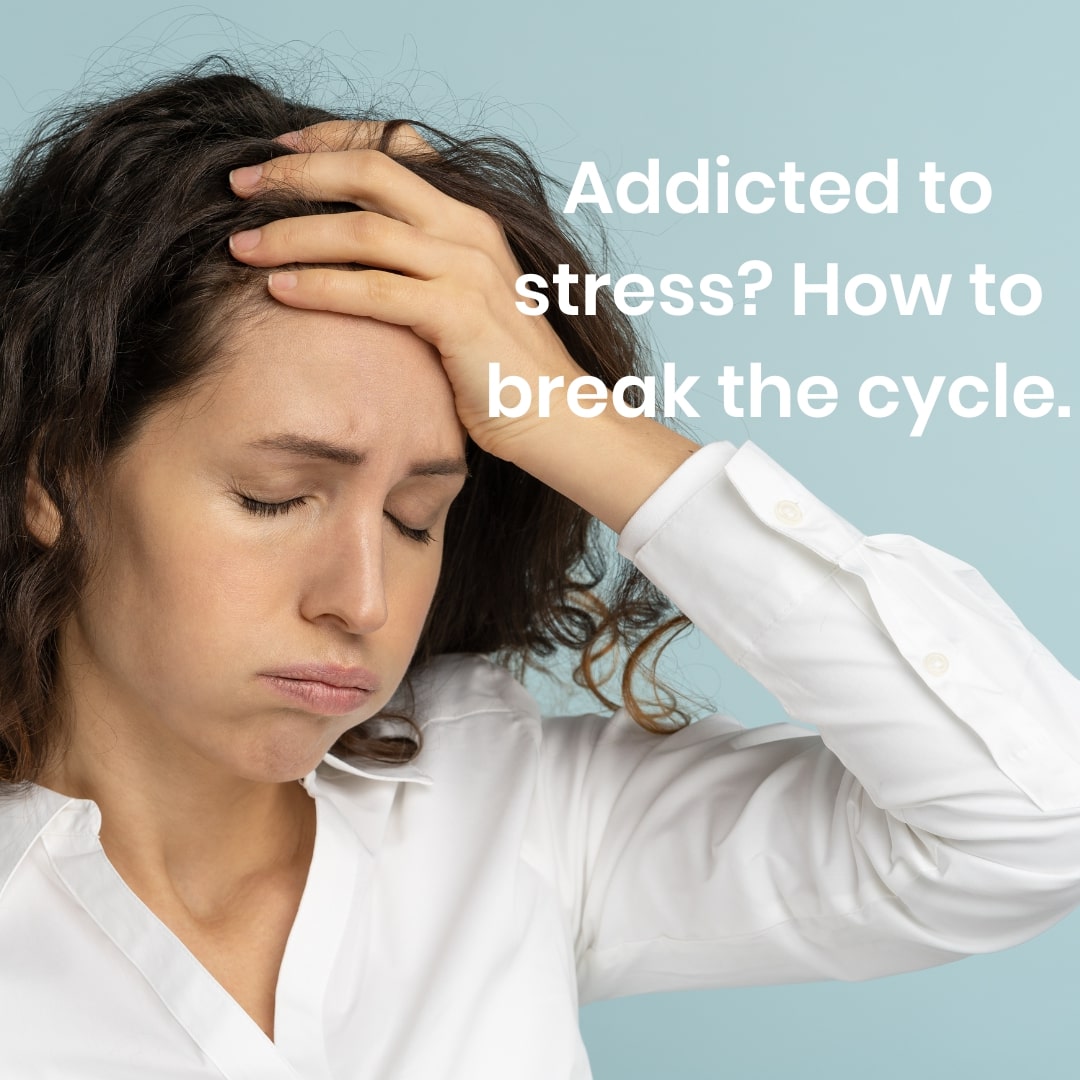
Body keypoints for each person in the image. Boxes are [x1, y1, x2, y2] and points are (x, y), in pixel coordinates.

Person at [0, 59, 1077, 1080]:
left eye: (419, 518)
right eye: (275, 499)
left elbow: (1028, 824)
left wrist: (569, 416)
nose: (362, 601)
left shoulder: (508, 810)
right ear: (54, 477)